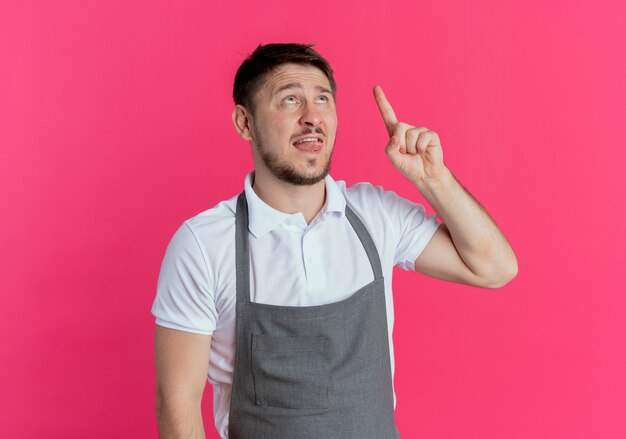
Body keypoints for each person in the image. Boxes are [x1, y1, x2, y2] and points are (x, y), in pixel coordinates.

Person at [152, 43, 518, 439]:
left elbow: (495, 268)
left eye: (322, 99)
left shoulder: (375, 214)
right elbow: (177, 407)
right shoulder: (203, 245)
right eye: (290, 99)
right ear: (245, 122)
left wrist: (434, 178)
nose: (312, 118)